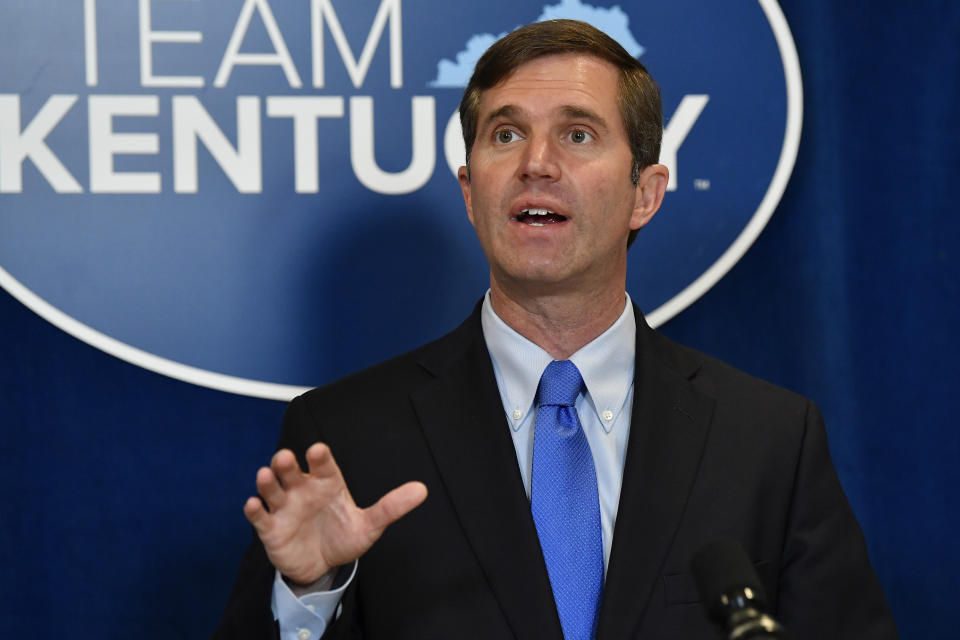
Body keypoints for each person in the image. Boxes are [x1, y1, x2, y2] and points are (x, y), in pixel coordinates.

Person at [214, 19, 898, 640]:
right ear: (469, 190)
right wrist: (310, 593)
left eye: (578, 134)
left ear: (645, 193)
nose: (535, 163)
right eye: (506, 134)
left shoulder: (769, 440)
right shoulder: (347, 437)